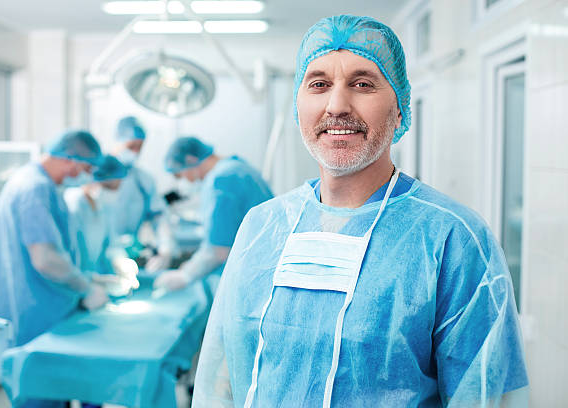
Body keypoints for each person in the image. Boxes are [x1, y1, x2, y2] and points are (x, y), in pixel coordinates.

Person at [193, 15, 528, 407]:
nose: (336, 105)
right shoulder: (261, 228)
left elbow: (481, 396)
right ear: (298, 108)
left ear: (400, 109)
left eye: (363, 84)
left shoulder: (453, 239)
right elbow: (221, 380)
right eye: (318, 84)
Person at [0, 130, 109, 408]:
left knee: (50, 392)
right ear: (71, 160)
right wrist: (85, 287)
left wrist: (86, 276)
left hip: (42, 311)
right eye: (86, 168)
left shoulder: (41, 185)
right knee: (39, 396)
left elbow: (58, 250)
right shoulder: (34, 188)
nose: (86, 176)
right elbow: (46, 258)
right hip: (33, 317)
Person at [153, 136, 273, 292]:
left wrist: (185, 275)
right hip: (266, 267)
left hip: (253, 275)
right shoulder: (239, 168)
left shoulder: (220, 180)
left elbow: (219, 251)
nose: (184, 181)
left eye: (180, 175)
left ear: (190, 160)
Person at [64, 155, 128, 277]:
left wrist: (121, 262)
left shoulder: (105, 207)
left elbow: (112, 244)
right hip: (72, 280)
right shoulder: (74, 202)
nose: (114, 191)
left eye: (118, 186)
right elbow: (67, 252)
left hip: (93, 277)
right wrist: (84, 280)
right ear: (92, 180)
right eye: (109, 186)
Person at [111, 116, 165, 240]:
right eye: (131, 146)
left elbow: (158, 215)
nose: (135, 152)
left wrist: (165, 247)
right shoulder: (95, 176)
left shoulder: (143, 180)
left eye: (139, 147)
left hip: (130, 250)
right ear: (118, 142)